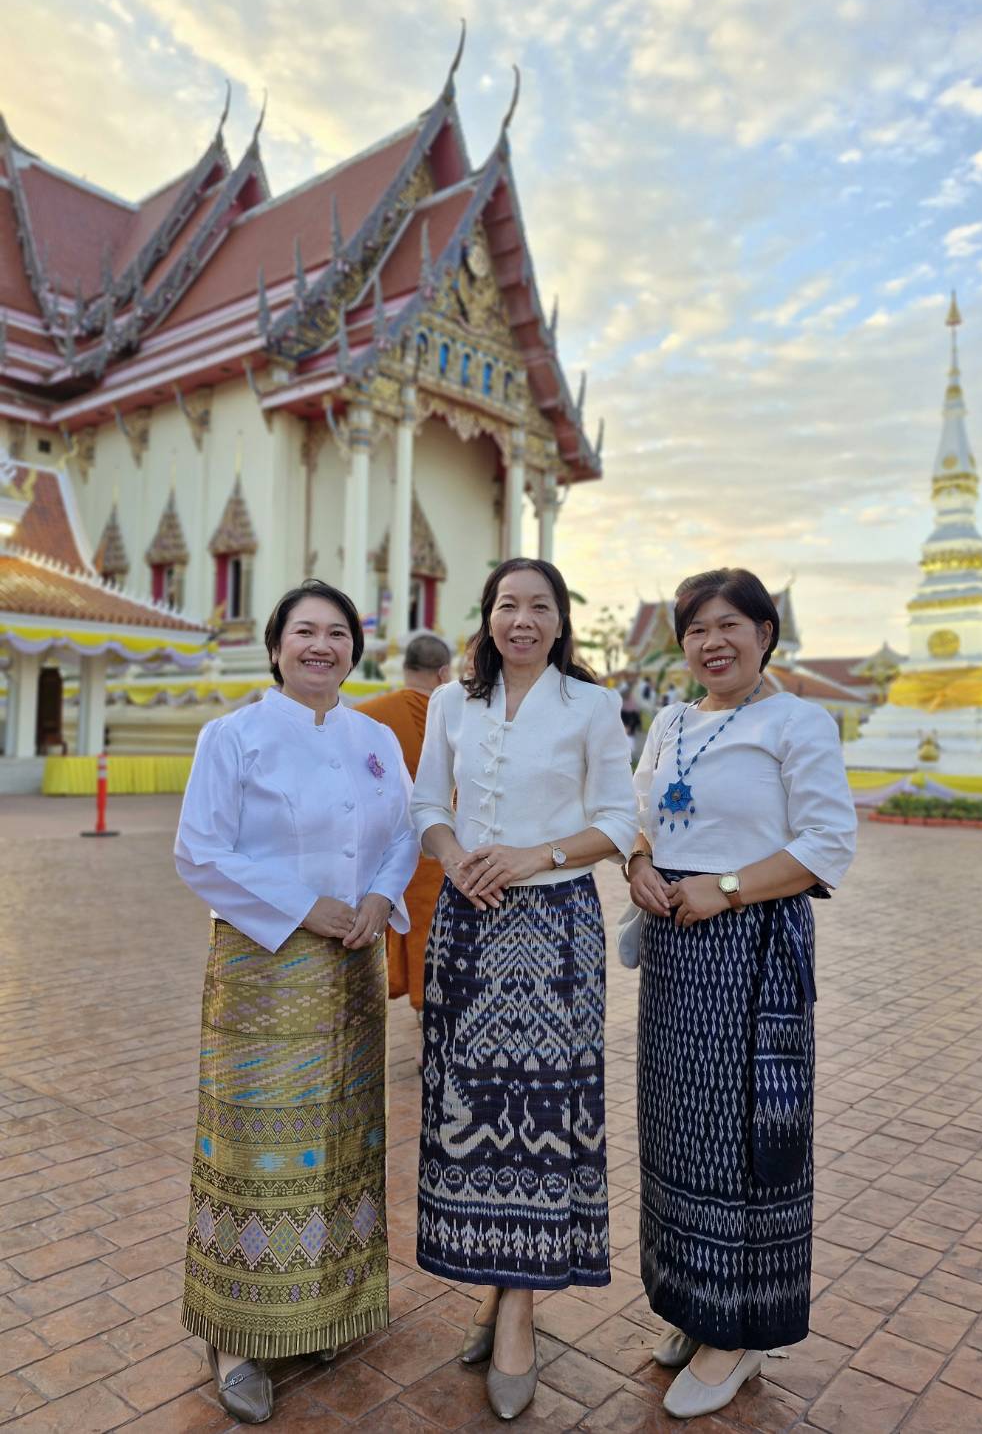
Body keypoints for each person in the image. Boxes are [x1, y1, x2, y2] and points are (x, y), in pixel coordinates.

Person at [174, 580, 419, 1425]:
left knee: (340, 1137)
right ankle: (237, 1335)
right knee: (257, 1141)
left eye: (338, 632)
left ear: (355, 647)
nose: (322, 645)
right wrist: (303, 905)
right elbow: (199, 851)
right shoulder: (233, 736)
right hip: (264, 967)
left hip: (353, 965)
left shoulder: (375, 738)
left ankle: (319, 1310)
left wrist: (382, 897)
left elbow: (403, 834)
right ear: (276, 646)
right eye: (305, 631)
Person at [626, 567, 856, 1421]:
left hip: (750, 944)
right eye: (696, 628)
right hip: (674, 947)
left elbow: (828, 842)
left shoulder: (798, 721)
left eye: (730, 624)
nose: (712, 642)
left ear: (765, 632)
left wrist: (723, 888)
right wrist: (638, 861)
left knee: (744, 1136)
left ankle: (740, 1330)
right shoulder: (670, 721)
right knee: (676, 1128)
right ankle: (694, 1304)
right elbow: (639, 812)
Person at [411, 557, 638, 1421]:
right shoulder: (451, 702)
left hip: (557, 928)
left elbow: (618, 821)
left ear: (561, 620)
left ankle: (519, 1309)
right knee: (470, 1109)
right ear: (488, 615)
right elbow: (427, 804)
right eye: (508, 604)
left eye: (540, 606)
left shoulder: (590, 705)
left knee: (543, 1113)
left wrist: (532, 856)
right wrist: (454, 860)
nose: (523, 620)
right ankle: (492, 1283)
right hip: (467, 923)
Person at [356, 633, 453, 1014]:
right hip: (445, 847)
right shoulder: (457, 715)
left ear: (405, 667)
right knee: (437, 929)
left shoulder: (367, 715)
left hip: (385, 848)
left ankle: (420, 1008)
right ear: (443, 673)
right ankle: (432, 1010)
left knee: (406, 922)